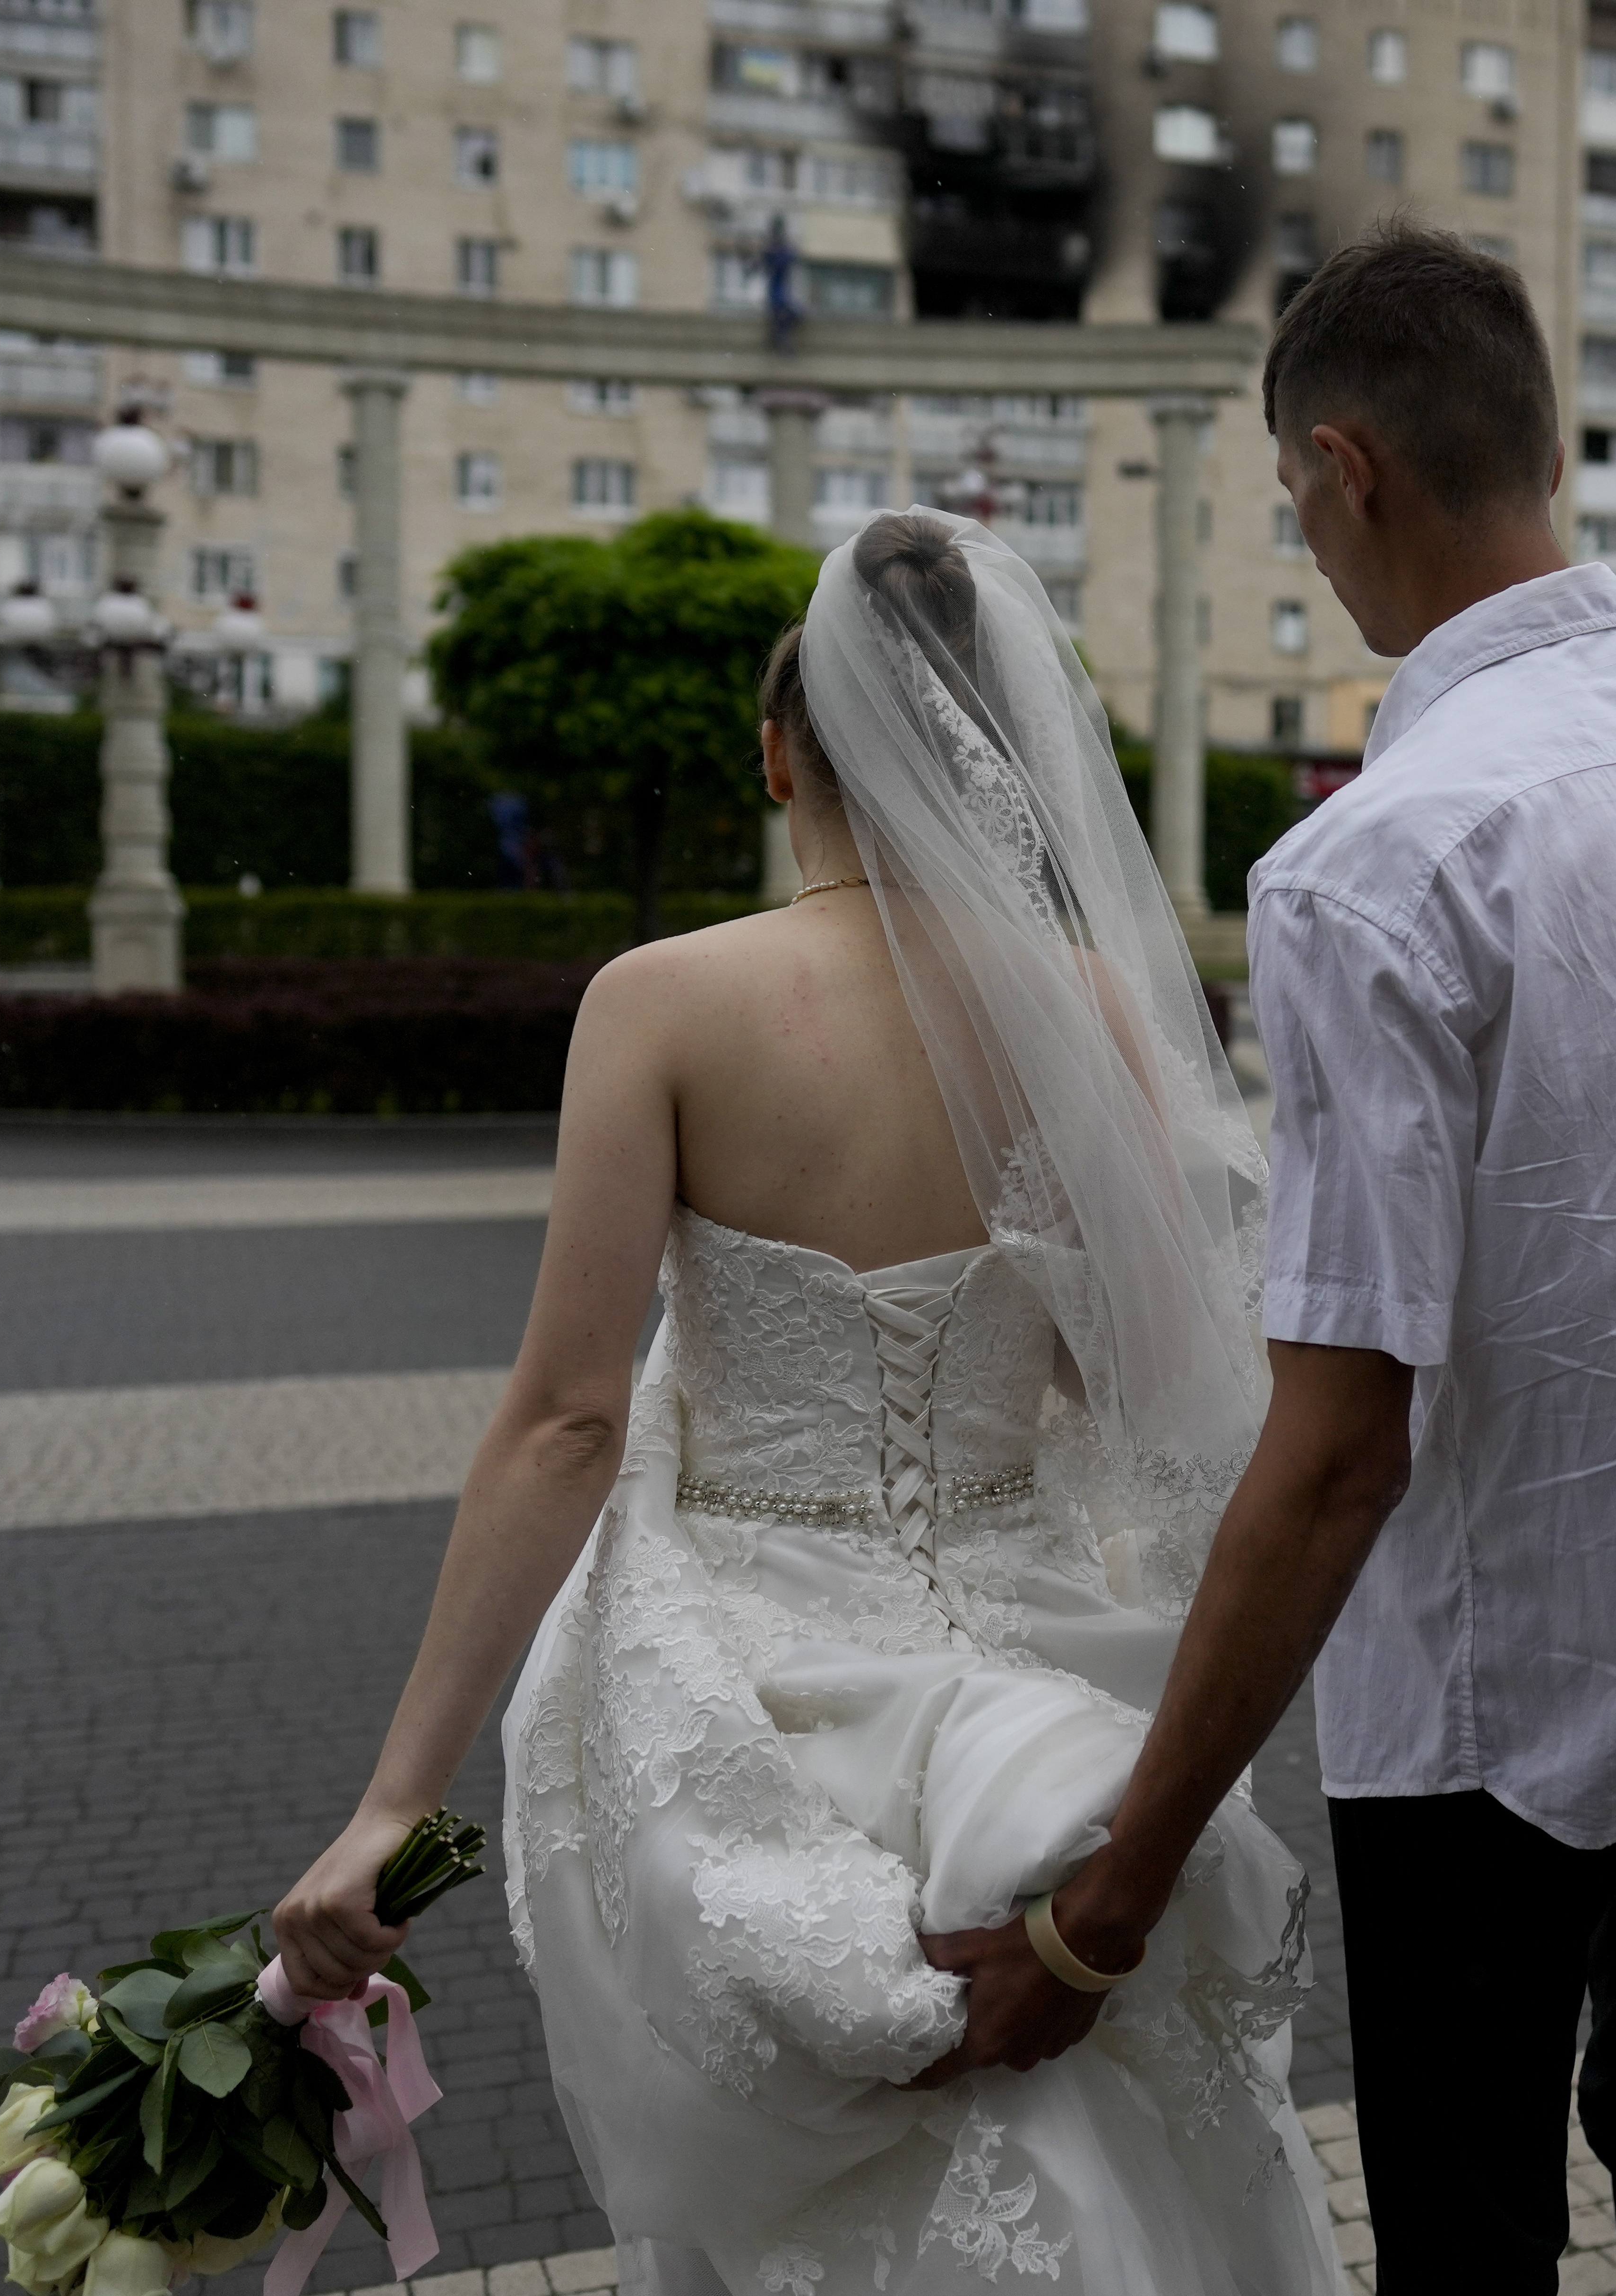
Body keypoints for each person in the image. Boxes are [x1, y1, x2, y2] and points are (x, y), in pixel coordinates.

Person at [932, 223, 1616, 2293]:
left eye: (1296, 501)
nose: (1307, 540)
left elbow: (1342, 1450)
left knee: (1470, 2235)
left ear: (1343, 467)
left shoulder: (1370, 868)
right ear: (1545, 443)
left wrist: (1104, 1907)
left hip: (1503, 1683)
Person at [273, 509, 1339, 2296]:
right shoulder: (1091, 1014)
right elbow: (1154, 1388)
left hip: (755, 1676)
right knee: (1116, 2146)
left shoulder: (665, 1003)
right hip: (1039, 1681)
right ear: (1000, 751)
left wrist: (395, 1803)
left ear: (781, 751)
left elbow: (566, 1422)